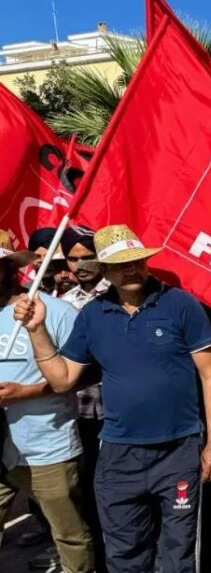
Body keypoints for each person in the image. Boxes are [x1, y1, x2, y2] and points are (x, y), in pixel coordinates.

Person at [15, 224, 211, 573]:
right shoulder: (92, 315)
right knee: (125, 557)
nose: (130, 269)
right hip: (118, 456)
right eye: (119, 264)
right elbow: (63, 379)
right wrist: (37, 331)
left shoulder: (180, 304)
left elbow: (210, 375)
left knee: (178, 557)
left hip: (179, 451)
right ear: (105, 270)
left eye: (136, 260)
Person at [0, 231, 94, 573]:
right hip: (2, 449)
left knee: (69, 535)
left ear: (10, 268)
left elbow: (86, 375)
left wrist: (25, 393)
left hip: (46, 447)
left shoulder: (55, 311)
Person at [58, 224, 110, 572]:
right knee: (90, 485)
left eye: (87, 256)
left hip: (118, 406)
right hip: (81, 410)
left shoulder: (118, 294)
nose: (79, 265)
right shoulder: (63, 303)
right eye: (73, 259)